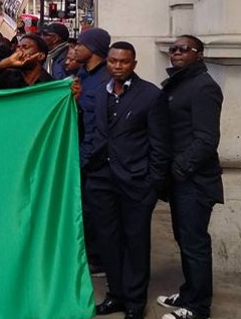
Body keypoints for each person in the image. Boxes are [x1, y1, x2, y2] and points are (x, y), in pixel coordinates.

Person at [84, 42, 170, 319]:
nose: (117, 66)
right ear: (106, 62)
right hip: (101, 180)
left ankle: (135, 302)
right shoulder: (99, 93)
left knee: (135, 243)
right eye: (112, 61)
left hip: (136, 182)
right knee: (108, 242)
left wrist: (153, 182)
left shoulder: (150, 95)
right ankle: (116, 295)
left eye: (123, 62)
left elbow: (160, 144)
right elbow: (94, 134)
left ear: (134, 63)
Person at [156, 35, 223, 319]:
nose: (177, 53)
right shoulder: (181, 82)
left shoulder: (204, 87)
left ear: (199, 54)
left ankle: (198, 307)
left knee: (195, 244)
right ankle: (188, 292)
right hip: (180, 180)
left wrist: (179, 168)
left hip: (195, 181)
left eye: (185, 49)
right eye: (173, 49)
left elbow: (207, 140)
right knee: (184, 240)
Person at [73, 27, 111, 276]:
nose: (75, 48)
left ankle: (99, 260)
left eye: (80, 44)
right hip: (81, 153)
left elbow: (101, 125)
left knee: (96, 212)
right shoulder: (82, 74)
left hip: (96, 159)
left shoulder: (106, 80)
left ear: (94, 49)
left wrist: (87, 158)